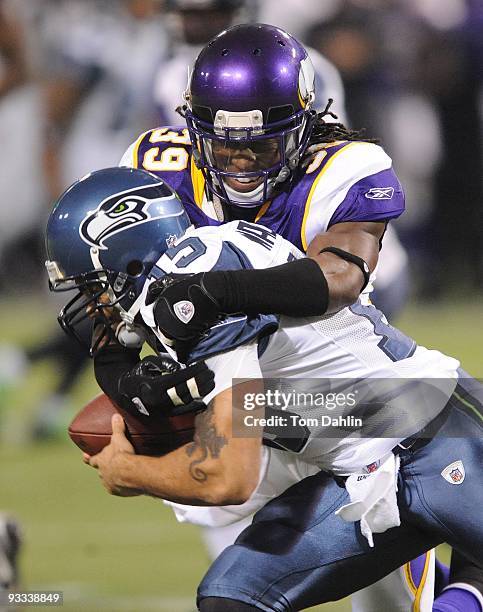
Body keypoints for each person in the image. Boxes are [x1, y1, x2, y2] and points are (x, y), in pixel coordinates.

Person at [45, 167, 483, 612]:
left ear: (129, 261)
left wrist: (130, 472)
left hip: (439, 435)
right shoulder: (184, 276)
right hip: (358, 469)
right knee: (231, 599)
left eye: (93, 285)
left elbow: (229, 477)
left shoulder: (191, 293)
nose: (94, 304)